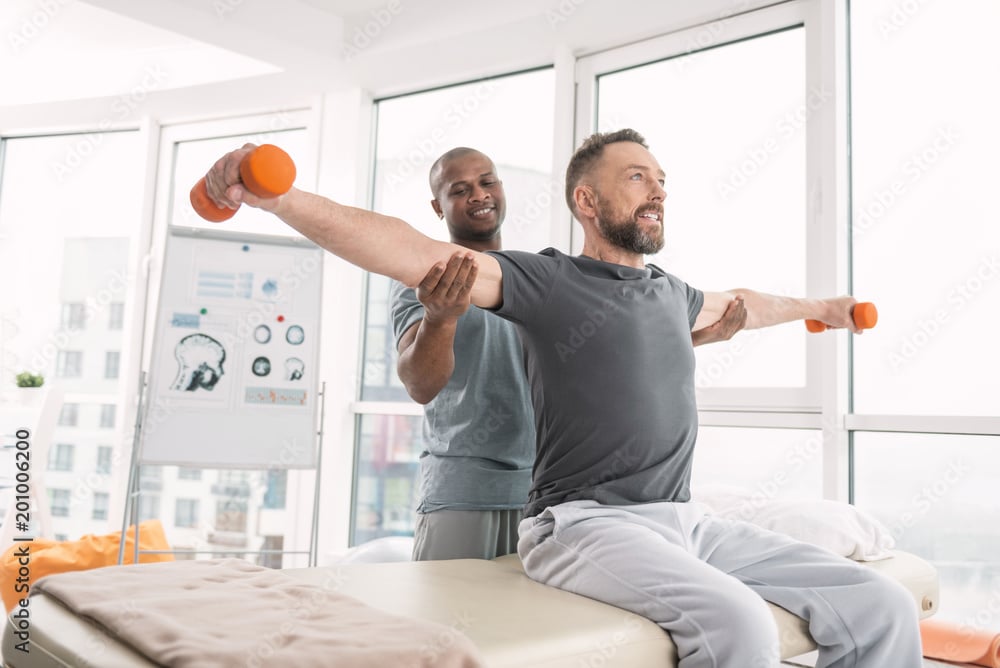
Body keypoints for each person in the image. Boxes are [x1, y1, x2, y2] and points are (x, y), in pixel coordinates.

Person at [203, 130, 920, 667]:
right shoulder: (548, 281)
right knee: (740, 622)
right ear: (587, 200)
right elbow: (406, 251)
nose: (658, 190)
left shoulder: (673, 295)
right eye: (637, 177)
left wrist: (823, 306)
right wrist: (276, 195)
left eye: (661, 178)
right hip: (583, 525)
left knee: (880, 602)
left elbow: (747, 302)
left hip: (683, 521)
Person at [392, 147, 747, 561]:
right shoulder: (422, 281)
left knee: (540, 626)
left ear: (501, 189)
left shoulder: (537, 278)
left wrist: (695, 339)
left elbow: (598, 359)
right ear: (438, 207)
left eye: (487, 182)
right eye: (460, 189)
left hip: (549, 498)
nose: (478, 194)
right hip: (464, 493)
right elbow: (420, 384)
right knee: (449, 622)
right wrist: (440, 317)